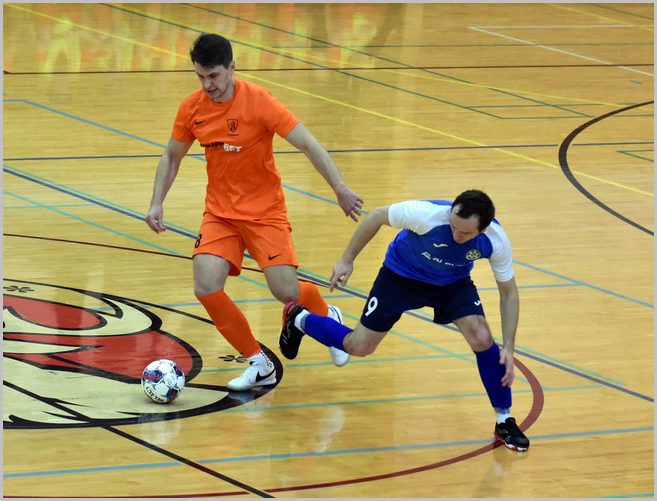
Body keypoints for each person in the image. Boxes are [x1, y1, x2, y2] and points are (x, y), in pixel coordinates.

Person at [145, 33, 363, 392]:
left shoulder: (259, 102)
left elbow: (308, 143)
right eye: (200, 76)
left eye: (213, 76)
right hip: (220, 214)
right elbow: (172, 155)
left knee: (286, 292)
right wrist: (157, 201)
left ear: (232, 67)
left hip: (265, 213)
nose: (207, 85)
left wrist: (339, 188)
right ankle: (259, 363)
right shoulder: (192, 108)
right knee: (206, 285)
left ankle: (326, 314)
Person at [280, 189, 530, 451]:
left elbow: (509, 293)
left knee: (482, 337)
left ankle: (504, 420)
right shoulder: (427, 215)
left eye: (465, 233)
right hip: (400, 276)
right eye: (453, 226)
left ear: (482, 229)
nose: (456, 235)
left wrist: (509, 347)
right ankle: (300, 319)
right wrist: (346, 260)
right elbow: (376, 216)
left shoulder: (495, 240)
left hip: (451, 283)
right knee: (359, 346)